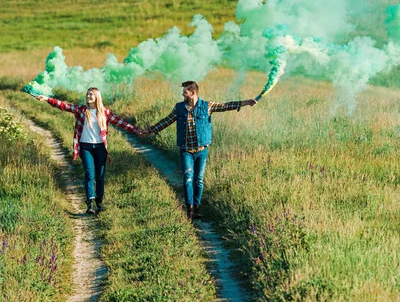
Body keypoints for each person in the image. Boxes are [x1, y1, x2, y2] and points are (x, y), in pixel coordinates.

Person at [140, 81, 257, 220]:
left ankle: (197, 208)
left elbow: (226, 106)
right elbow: (166, 121)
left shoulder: (207, 106)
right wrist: (150, 130)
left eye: (185, 92)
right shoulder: (179, 108)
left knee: (199, 180)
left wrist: (246, 102)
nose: (183, 94)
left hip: (202, 150)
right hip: (186, 150)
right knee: (188, 179)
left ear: (193, 93)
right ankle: (189, 209)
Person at [36, 87, 140, 214]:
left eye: (91, 94)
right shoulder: (81, 110)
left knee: (100, 176)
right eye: (87, 94)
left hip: (100, 148)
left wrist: (137, 131)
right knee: (89, 175)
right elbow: (64, 106)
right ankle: (90, 204)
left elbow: (122, 123)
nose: (88, 96)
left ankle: (99, 203)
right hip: (86, 147)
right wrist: (47, 99)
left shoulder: (105, 112)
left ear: (97, 96)